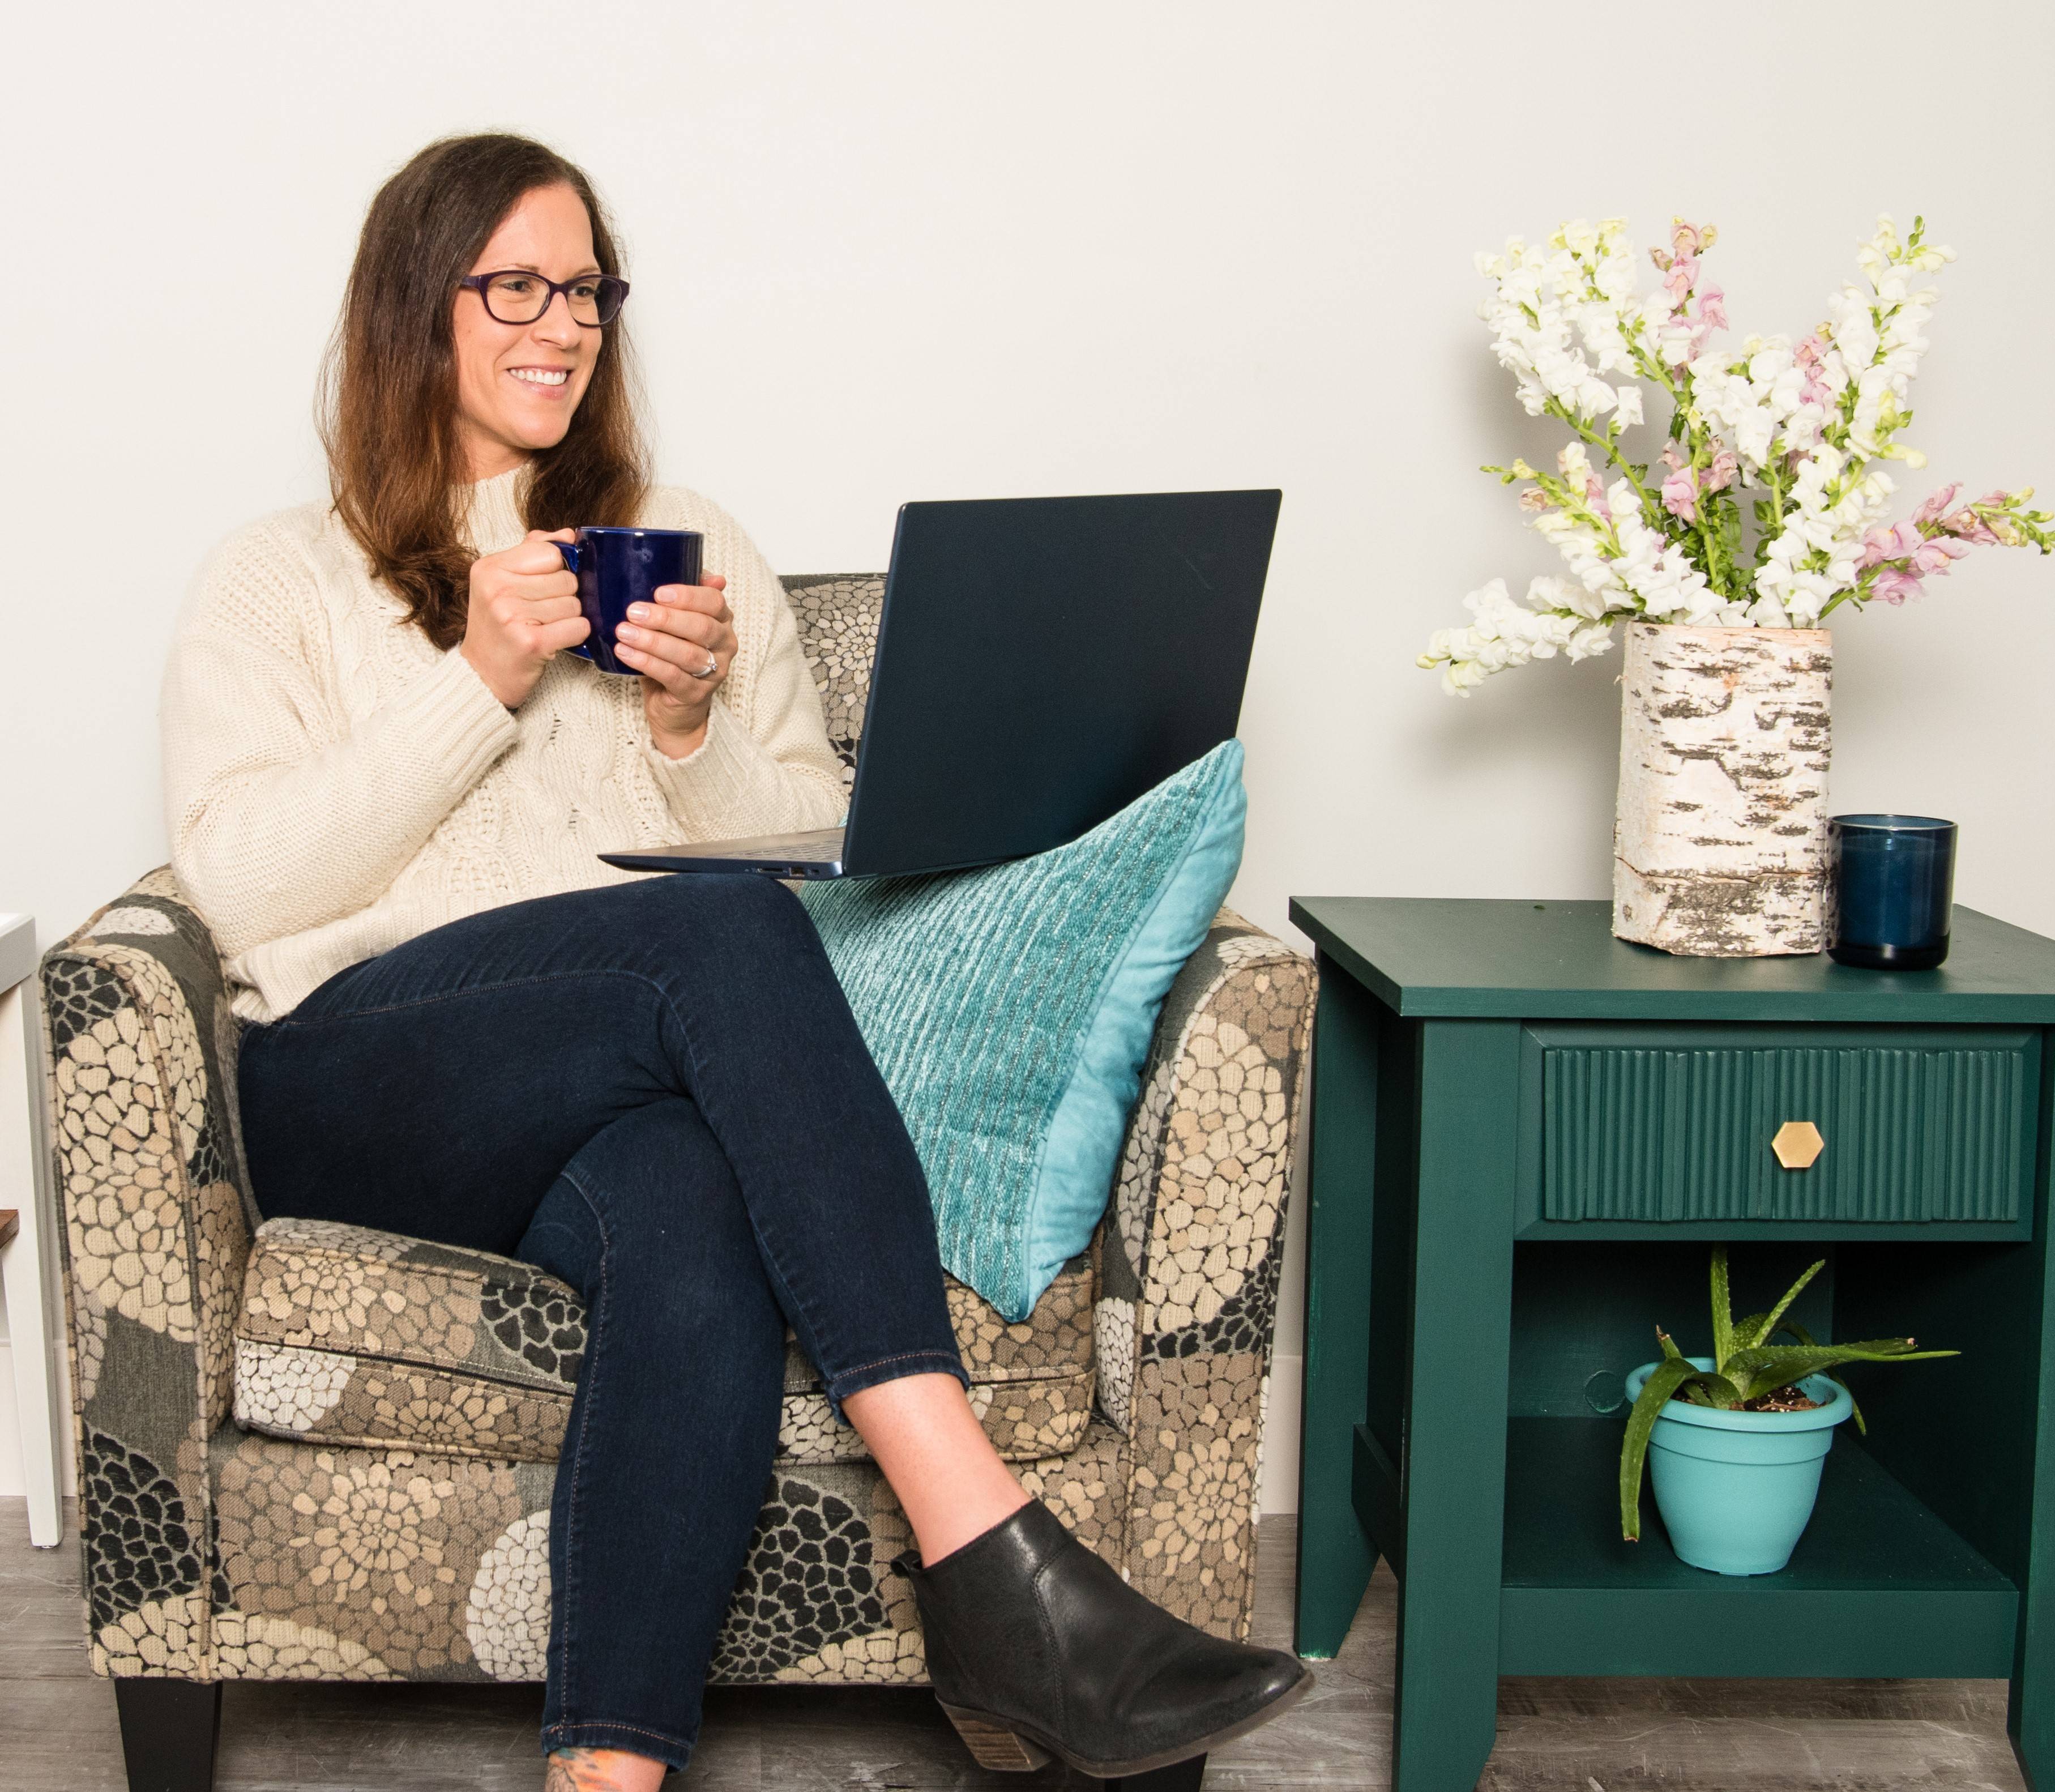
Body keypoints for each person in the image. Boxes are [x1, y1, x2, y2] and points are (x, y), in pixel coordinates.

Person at [161, 133, 1307, 1791]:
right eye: (516, 287)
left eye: (588, 292)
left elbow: (820, 848)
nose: (564, 326)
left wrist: (690, 729)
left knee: (692, 1206)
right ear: (415, 306)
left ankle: (608, 1770)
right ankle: (987, 1548)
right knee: (709, 935)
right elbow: (239, 881)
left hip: (618, 1084)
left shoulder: (687, 538)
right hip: (367, 1079)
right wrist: (476, 678)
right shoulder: (280, 572)